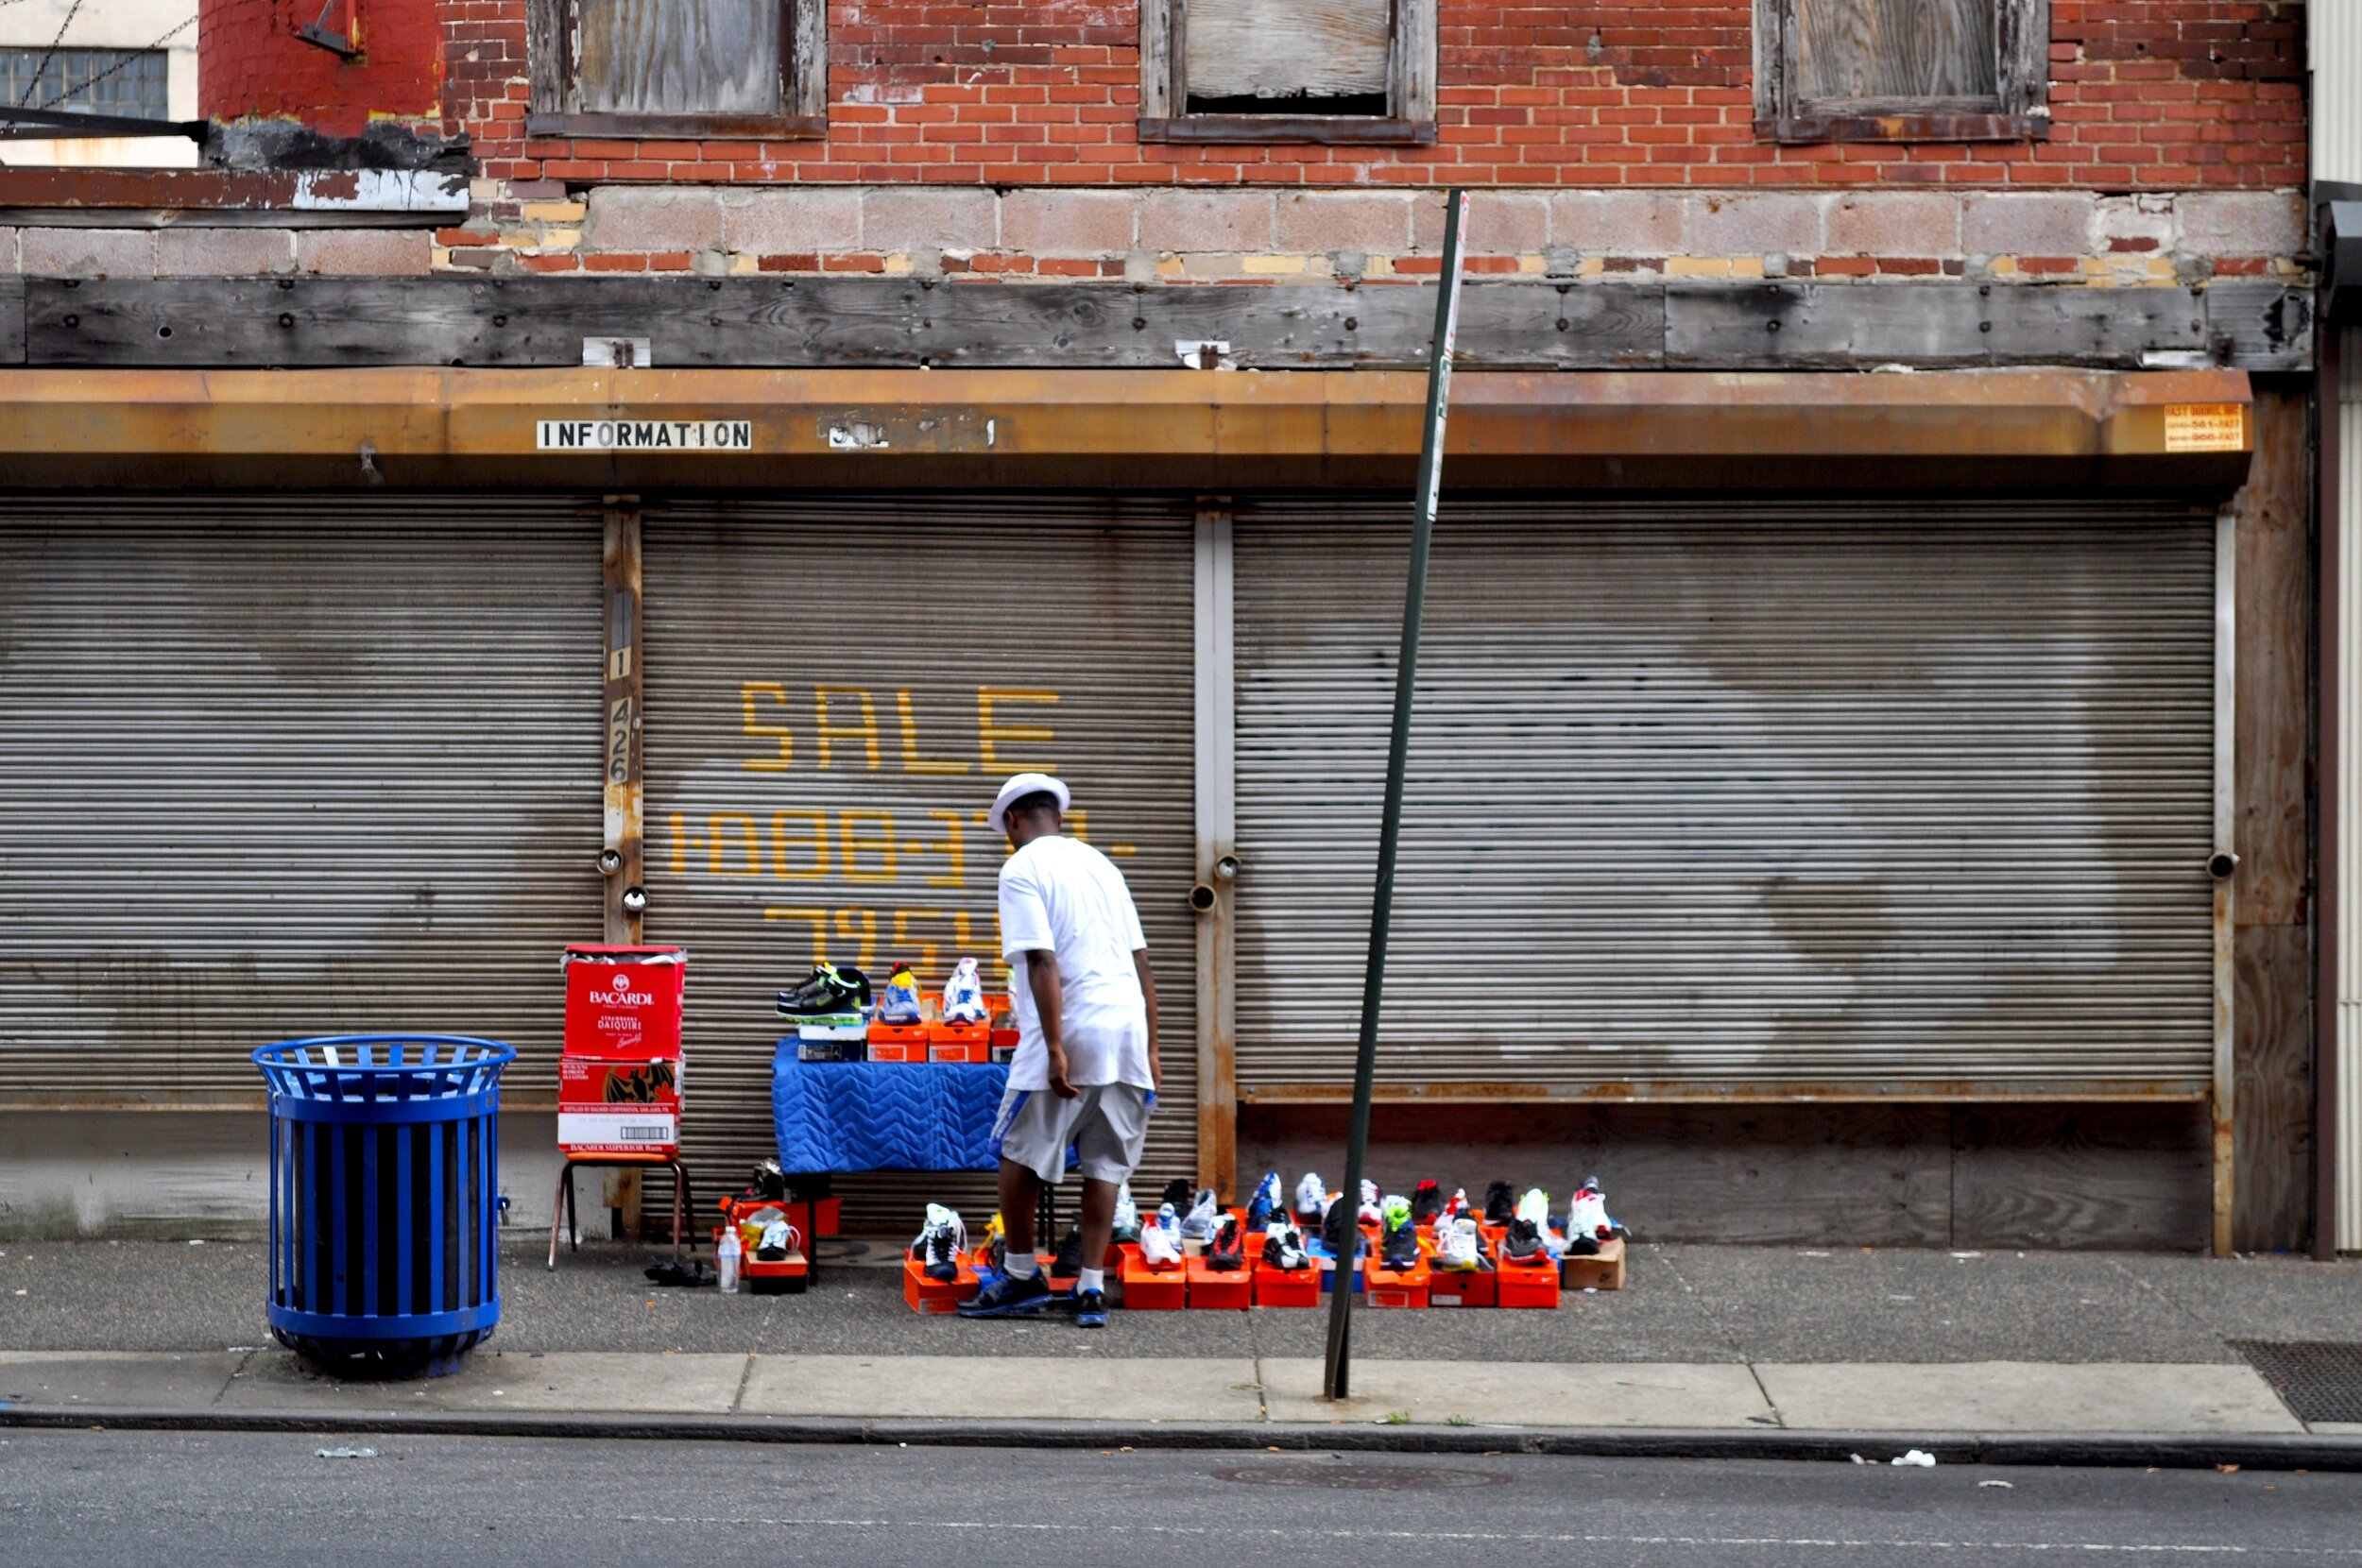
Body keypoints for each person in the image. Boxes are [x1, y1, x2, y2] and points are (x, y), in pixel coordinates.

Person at [958, 771, 1158, 1327]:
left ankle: (1021, 1274)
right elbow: (1142, 962)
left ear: (1014, 822)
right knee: (1105, 1164)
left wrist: (1053, 1047)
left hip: (1071, 1027)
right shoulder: (1104, 866)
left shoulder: (1021, 868)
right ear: (1060, 817)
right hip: (1127, 1032)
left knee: (1018, 1154)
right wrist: (1153, 1045)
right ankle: (1091, 1289)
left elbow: (1043, 959)